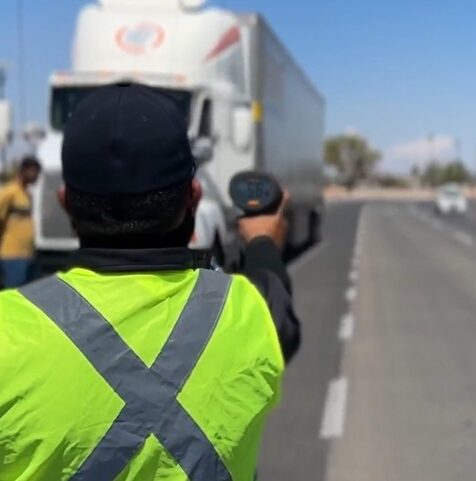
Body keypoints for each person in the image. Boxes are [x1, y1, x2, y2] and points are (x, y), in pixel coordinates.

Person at [0, 83, 300, 481]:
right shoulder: (254, 315)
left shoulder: (8, 328)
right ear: (193, 197)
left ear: (64, 201)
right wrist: (262, 240)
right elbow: (273, 289)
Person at [0, 156, 41, 288]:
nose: (37, 176)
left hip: (28, 254)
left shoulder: (27, 194)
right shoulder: (10, 192)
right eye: (35, 172)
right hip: (12, 255)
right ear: (24, 170)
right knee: (13, 294)